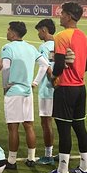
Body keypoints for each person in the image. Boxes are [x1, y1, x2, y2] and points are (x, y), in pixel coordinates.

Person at [44, 2, 87, 173]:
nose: (60, 15)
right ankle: (84, 167)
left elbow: (58, 64)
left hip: (65, 88)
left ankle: (62, 170)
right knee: (80, 127)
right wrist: (76, 70)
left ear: (70, 16)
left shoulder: (61, 36)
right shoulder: (82, 36)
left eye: (62, 13)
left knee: (64, 129)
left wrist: (54, 76)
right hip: (80, 87)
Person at [0, 21, 40, 169]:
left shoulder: (8, 48)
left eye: (8, 30)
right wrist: (35, 82)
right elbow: (44, 64)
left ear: (14, 33)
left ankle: (11, 161)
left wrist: (5, 86)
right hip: (27, 92)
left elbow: (5, 69)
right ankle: (31, 158)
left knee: (13, 127)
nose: (7, 33)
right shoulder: (31, 47)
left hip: (14, 91)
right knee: (29, 125)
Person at [32, 18, 57, 164]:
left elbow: (46, 68)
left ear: (44, 30)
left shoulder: (43, 47)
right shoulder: (60, 43)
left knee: (46, 122)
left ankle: (48, 155)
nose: (38, 34)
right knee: (60, 122)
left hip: (48, 89)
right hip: (62, 88)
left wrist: (35, 83)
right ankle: (62, 153)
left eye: (38, 31)